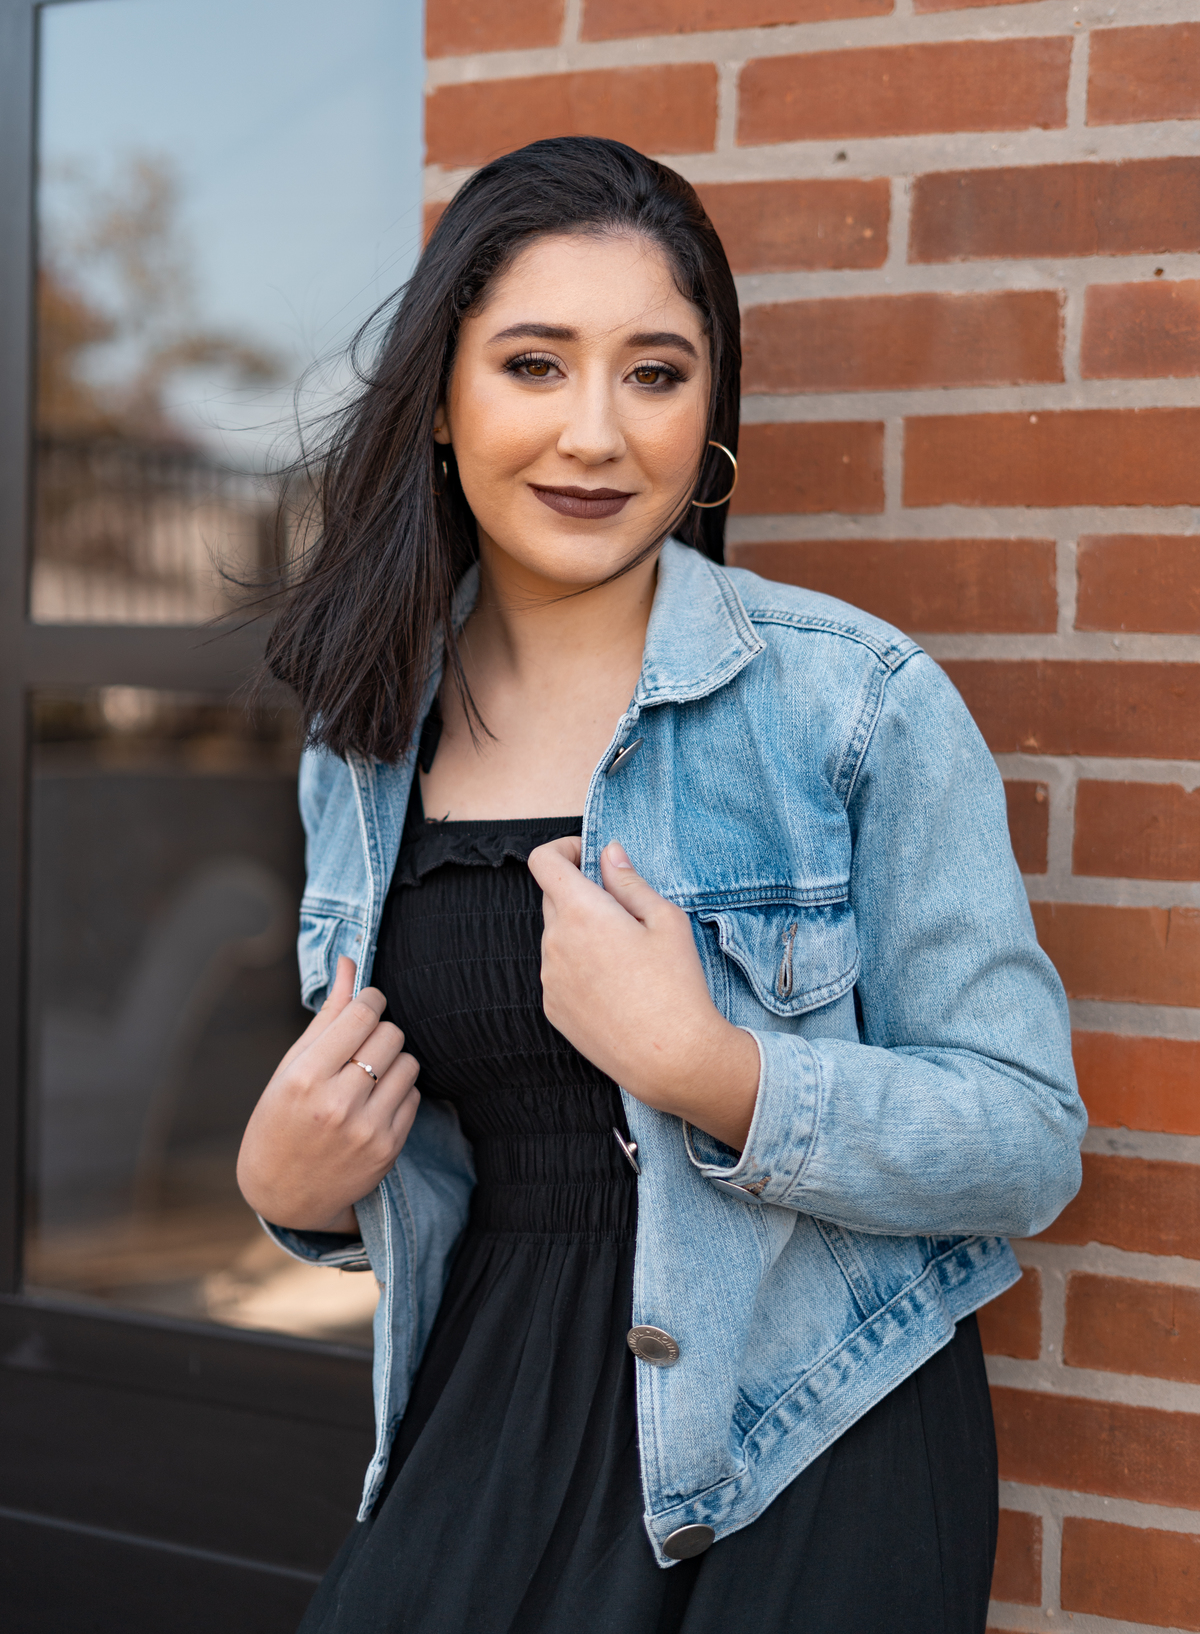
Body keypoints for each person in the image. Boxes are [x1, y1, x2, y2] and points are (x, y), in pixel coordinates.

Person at [236, 135, 1084, 1633]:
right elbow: (402, 1146)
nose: (596, 434)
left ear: (712, 419)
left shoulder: (854, 706)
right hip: (488, 1404)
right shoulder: (363, 736)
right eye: (536, 365)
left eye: (655, 373)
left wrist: (717, 1070)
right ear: (441, 402)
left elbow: (1026, 1143)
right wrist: (289, 1199)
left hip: (804, 1430)